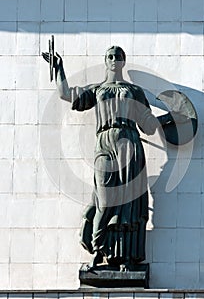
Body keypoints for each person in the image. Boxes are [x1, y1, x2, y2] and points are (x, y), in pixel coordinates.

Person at [42, 46, 172, 270]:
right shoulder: (97, 89)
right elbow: (66, 94)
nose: (114, 60)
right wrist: (59, 68)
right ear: (105, 61)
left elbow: (148, 125)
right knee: (104, 200)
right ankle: (97, 249)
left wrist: (171, 117)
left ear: (123, 61)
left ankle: (127, 258)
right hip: (105, 143)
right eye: (110, 56)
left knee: (129, 203)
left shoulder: (134, 91)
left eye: (118, 57)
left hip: (130, 144)